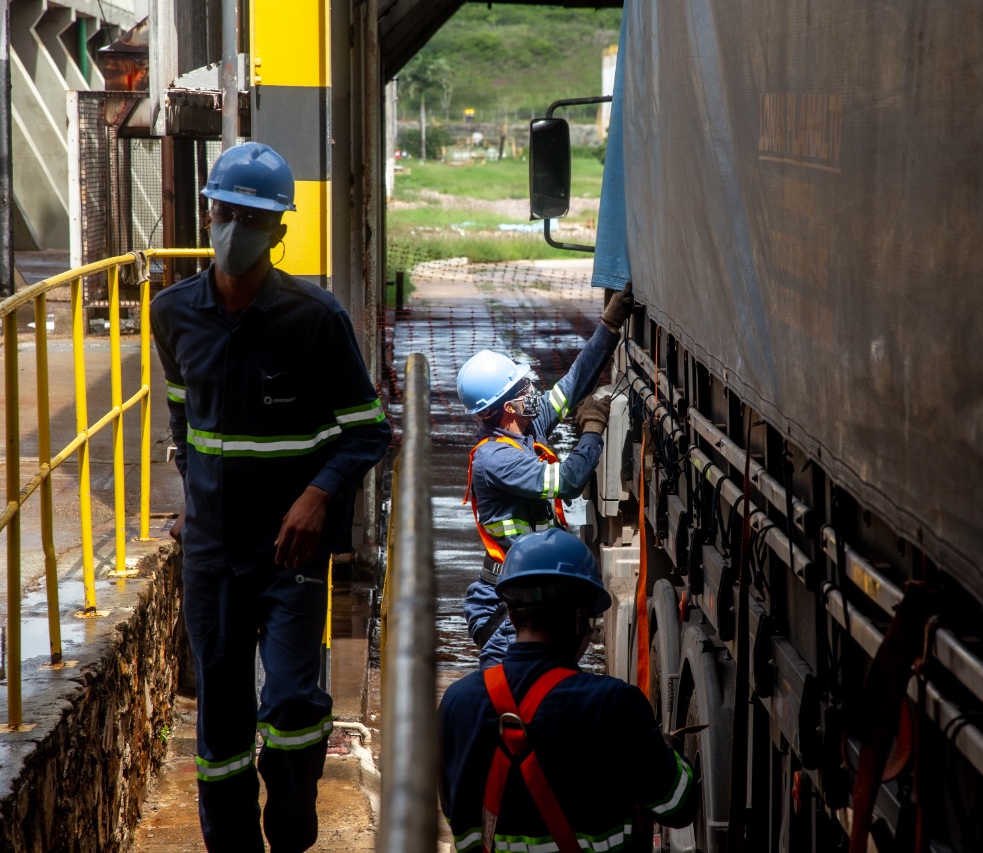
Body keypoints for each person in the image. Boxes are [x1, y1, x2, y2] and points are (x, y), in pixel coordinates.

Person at [151, 141, 392, 853]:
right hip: (212, 555)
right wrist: (192, 492)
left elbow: (370, 431)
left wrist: (318, 495)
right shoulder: (174, 314)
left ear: (278, 231)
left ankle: (291, 826)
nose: (232, 229)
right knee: (220, 719)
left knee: (292, 700)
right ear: (207, 211)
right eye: (224, 212)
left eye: (251, 219)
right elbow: (180, 415)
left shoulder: (314, 319)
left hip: (289, 554)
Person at [438, 528, 697, 852]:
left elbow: (453, 810)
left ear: (513, 616)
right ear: (579, 619)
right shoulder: (614, 705)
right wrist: (665, 751)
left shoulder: (457, 704)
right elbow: (678, 805)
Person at [457, 285, 633, 667]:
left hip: (526, 587)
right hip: (511, 606)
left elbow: (571, 386)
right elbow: (567, 481)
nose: (533, 390)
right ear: (508, 406)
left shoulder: (524, 428)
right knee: (509, 705)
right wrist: (592, 430)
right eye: (524, 388)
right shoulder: (497, 458)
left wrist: (608, 327)